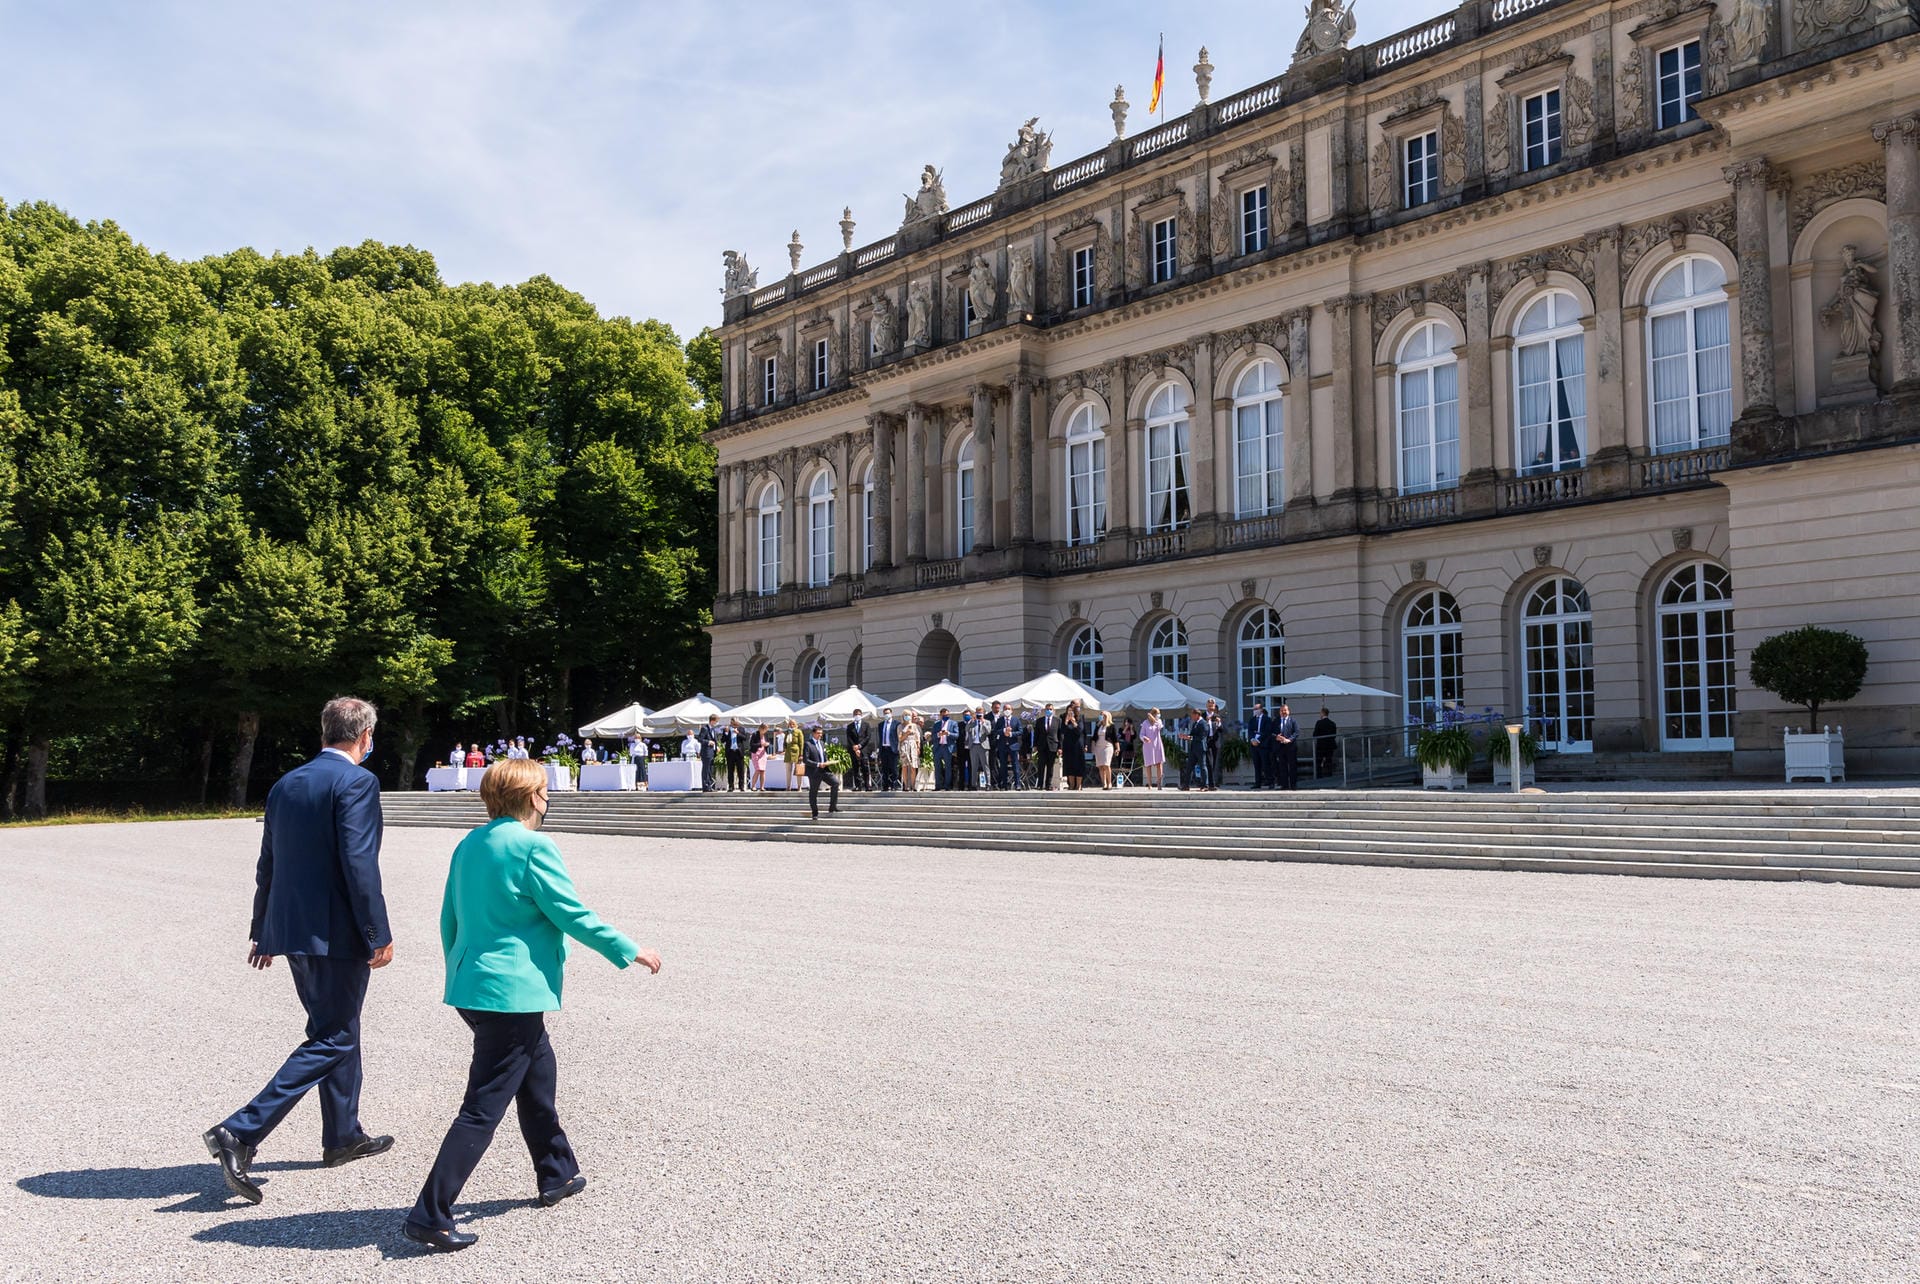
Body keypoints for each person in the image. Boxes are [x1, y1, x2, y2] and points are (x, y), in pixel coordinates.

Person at [401, 757, 662, 1252]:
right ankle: (429, 1213)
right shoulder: (533, 846)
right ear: (531, 796)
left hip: (475, 987)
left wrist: (461, 972)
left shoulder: (470, 843)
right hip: (511, 994)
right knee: (483, 1106)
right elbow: (571, 913)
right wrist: (629, 949)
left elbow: (448, 919)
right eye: (544, 790)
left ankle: (557, 1171)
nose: (547, 798)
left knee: (537, 1076)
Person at [204, 696, 394, 1206]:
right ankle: (241, 1130)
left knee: (336, 1028)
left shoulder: (286, 783)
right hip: (336, 933)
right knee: (333, 1035)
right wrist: (377, 932)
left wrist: (264, 926)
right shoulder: (358, 781)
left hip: (293, 931)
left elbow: (269, 861)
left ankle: (343, 1135)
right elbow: (360, 864)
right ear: (364, 737)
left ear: (325, 731)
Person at [804, 724, 840, 820]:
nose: (820, 735)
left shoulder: (822, 743)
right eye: (818, 733)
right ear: (813, 734)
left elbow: (823, 755)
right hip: (814, 771)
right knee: (813, 792)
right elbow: (806, 760)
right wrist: (817, 764)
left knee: (836, 783)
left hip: (824, 770)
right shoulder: (808, 744)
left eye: (821, 733)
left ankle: (832, 807)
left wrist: (827, 762)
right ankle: (815, 813)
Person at [1033, 703, 1060, 790]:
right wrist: (1035, 745)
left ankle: (1048, 785)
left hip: (1052, 746)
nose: (1049, 711)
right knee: (1041, 766)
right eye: (1047, 709)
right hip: (1042, 746)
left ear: (1053, 710)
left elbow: (1060, 735)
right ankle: (1040, 785)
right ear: (1045, 710)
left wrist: (1060, 747)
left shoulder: (1058, 721)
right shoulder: (1040, 721)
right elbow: (1036, 734)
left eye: (1050, 709)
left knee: (1050, 766)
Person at [1275, 702, 1300, 790]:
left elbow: (1297, 732)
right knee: (1282, 766)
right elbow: (1271, 732)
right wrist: (1276, 737)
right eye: (1281, 711)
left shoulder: (1293, 721)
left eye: (1285, 710)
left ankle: (1293, 785)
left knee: (1292, 766)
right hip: (1280, 747)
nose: (1283, 712)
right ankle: (1284, 785)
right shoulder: (1276, 721)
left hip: (1291, 747)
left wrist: (1289, 739)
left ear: (1288, 711)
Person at [1247, 701, 1272, 789]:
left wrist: (1258, 740)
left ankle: (1270, 781)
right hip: (1254, 745)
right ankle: (1258, 782)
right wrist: (1252, 739)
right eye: (1254, 709)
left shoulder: (1267, 719)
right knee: (1257, 765)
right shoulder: (1252, 719)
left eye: (1256, 709)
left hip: (1263, 745)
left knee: (1266, 764)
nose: (1255, 710)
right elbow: (1250, 731)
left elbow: (1267, 731)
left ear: (1261, 709)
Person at [844, 710, 870, 791]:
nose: (857, 716)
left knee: (865, 768)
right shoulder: (850, 726)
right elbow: (849, 738)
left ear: (861, 715)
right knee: (855, 768)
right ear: (853, 715)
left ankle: (867, 785)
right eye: (855, 714)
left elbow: (868, 737)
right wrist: (854, 747)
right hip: (853, 750)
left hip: (863, 749)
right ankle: (858, 786)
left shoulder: (866, 725)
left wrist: (859, 746)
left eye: (858, 714)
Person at [1140, 709, 1166, 789]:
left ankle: (1159, 783)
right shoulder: (1145, 723)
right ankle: (1149, 784)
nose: (1159, 715)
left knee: (1159, 763)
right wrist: (1144, 738)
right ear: (1153, 713)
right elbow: (1141, 734)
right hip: (1148, 746)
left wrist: (1154, 719)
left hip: (1157, 744)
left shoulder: (1159, 721)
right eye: (1157, 714)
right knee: (1148, 765)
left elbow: (1159, 727)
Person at [876, 707, 901, 791]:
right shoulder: (881, 725)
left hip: (892, 749)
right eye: (885, 713)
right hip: (884, 748)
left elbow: (898, 736)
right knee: (884, 768)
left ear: (891, 714)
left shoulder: (896, 723)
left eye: (888, 713)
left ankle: (894, 785)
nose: (887, 715)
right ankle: (885, 785)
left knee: (894, 768)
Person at [1061, 709, 1084, 791]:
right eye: (1068, 713)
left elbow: (1079, 731)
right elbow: (1062, 731)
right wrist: (1066, 721)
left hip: (1077, 745)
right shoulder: (1064, 721)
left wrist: (1074, 722)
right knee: (1069, 766)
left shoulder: (1080, 719)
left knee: (1078, 765)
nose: (1070, 714)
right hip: (1068, 746)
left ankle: (1078, 785)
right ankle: (1071, 785)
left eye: (1072, 713)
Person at [1313, 707, 1339, 780]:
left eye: (1320, 713)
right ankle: (1329, 775)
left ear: (1322, 713)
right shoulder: (1332, 723)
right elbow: (1334, 735)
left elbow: (1315, 734)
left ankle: (1319, 776)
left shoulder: (1319, 723)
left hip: (1321, 745)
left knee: (1318, 761)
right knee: (1329, 761)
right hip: (1330, 745)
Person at [1092, 711, 1115, 789]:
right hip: (1098, 747)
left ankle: (1109, 783)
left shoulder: (1111, 726)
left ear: (1107, 716)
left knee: (1106, 764)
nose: (1101, 717)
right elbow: (1094, 737)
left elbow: (1115, 738)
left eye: (1103, 715)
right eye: (1100, 715)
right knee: (1100, 766)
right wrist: (1093, 746)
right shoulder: (1098, 725)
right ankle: (1104, 783)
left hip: (1107, 746)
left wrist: (1117, 748)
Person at [967, 707, 990, 789]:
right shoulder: (973, 722)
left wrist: (983, 723)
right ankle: (974, 784)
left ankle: (988, 784)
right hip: (973, 746)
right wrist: (971, 722)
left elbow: (988, 732)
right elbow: (967, 729)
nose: (979, 715)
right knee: (974, 766)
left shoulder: (987, 722)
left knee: (985, 766)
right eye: (977, 713)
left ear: (983, 713)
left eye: (980, 713)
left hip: (983, 746)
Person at [696, 715, 719, 792]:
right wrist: (708, 742)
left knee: (709, 770)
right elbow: (700, 739)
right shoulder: (705, 728)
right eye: (716, 721)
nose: (716, 723)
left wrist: (717, 747)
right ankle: (705, 786)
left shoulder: (713, 729)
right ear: (712, 721)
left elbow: (715, 740)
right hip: (706, 752)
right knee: (706, 770)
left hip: (712, 752)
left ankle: (709, 786)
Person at [900, 714, 922, 791]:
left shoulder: (915, 726)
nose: (907, 717)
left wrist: (918, 747)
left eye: (908, 715)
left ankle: (913, 785)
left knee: (913, 766)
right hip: (904, 746)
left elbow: (917, 737)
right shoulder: (900, 726)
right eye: (905, 715)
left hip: (913, 747)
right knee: (905, 766)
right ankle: (906, 786)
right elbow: (900, 738)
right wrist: (907, 733)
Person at [723, 720, 746, 791]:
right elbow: (723, 740)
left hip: (739, 752)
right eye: (733, 723)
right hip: (730, 752)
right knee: (730, 770)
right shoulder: (727, 729)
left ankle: (741, 786)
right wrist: (726, 733)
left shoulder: (741, 729)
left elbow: (745, 738)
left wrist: (738, 733)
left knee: (740, 770)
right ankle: (731, 786)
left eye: (736, 723)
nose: (735, 724)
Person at [783, 720, 803, 791]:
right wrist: (784, 749)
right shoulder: (787, 732)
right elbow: (784, 742)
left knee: (798, 770)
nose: (792, 725)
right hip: (788, 753)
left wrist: (801, 754)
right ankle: (788, 787)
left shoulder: (798, 731)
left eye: (793, 724)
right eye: (790, 724)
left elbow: (801, 743)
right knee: (788, 771)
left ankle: (799, 787)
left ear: (796, 725)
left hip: (796, 752)